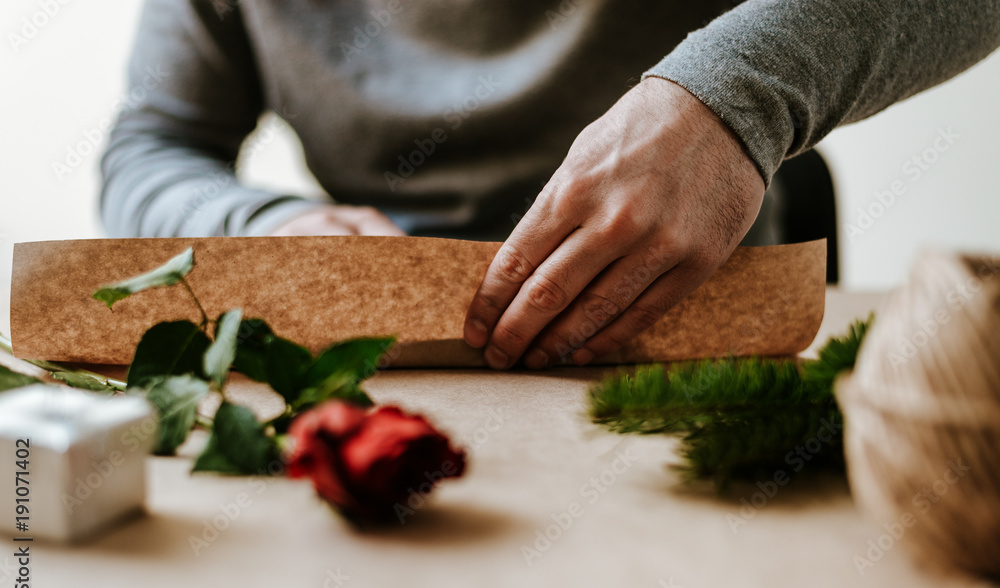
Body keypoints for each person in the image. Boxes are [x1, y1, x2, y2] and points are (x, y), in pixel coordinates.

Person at [102, 0, 1000, 369]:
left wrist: (732, 96)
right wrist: (261, 224)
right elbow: (154, 144)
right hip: (382, 360)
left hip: (699, 334)